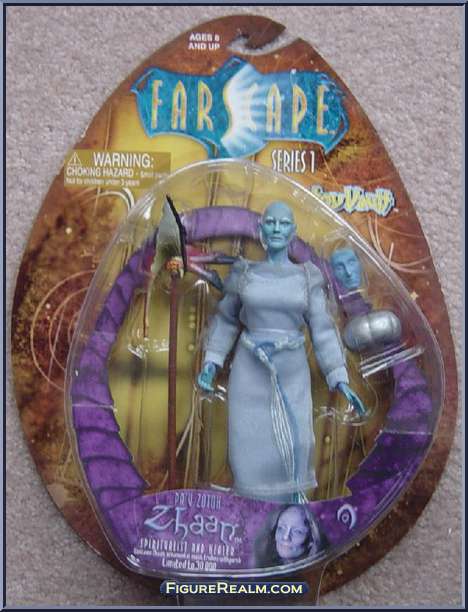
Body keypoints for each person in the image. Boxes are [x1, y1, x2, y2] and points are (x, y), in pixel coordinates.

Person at [197, 201, 364, 502]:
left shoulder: (307, 277)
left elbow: (323, 329)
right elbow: (226, 319)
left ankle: (291, 504)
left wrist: (339, 377)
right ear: (261, 229)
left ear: (293, 231)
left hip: (291, 369)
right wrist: (212, 362)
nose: (276, 229)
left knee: (295, 440)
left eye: (283, 223)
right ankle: (249, 504)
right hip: (250, 368)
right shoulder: (245, 272)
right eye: (270, 222)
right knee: (248, 438)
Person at [255, 504, 328, 568]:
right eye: (281, 528)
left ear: (311, 540)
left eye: (297, 531)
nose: (285, 537)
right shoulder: (261, 567)